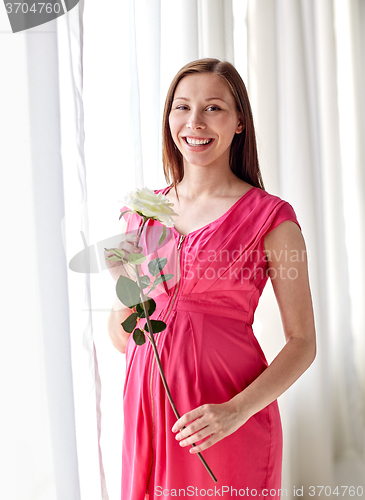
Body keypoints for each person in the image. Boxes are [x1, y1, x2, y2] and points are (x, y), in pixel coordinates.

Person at [105, 58, 316, 500]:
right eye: (182, 107)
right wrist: (134, 315)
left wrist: (235, 412)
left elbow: (302, 342)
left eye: (213, 108)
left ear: (240, 121)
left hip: (223, 421)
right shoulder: (139, 212)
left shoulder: (273, 219)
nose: (194, 122)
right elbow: (123, 327)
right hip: (149, 411)